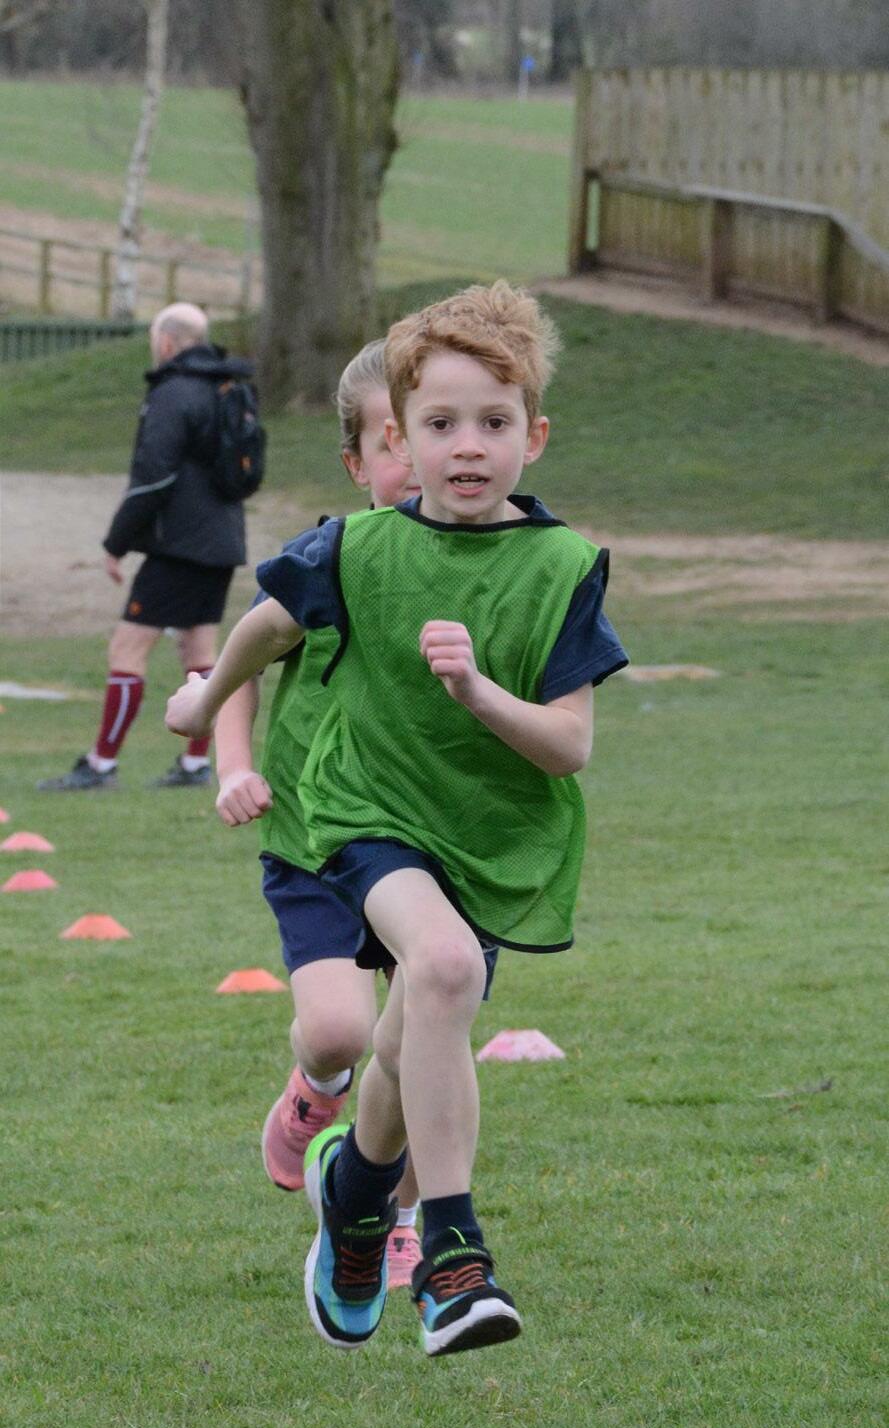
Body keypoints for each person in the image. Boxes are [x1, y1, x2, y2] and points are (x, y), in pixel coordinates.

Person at [165, 281, 628, 1359]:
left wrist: (479, 695)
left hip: (490, 840)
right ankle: (454, 1258)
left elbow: (568, 746)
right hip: (363, 813)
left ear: (534, 436)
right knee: (444, 969)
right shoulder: (355, 548)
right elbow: (263, 628)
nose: (467, 445)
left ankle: (358, 1196)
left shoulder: (564, 568)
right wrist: (204, 702)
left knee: (407, 1036)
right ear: (400, 442)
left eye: (493, 422)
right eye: (440, 423)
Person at [212, 339, 425, 1289]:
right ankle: (315, 1088)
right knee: (343, 1031)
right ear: (356, 462)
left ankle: (404, 1219)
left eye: (432, 430)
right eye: (393, 441)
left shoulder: (486, 565)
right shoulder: (326, 561)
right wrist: (233, 766)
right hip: (314, 844)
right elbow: (239, 666)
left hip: (428, 849)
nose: (417, 458)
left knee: (416, 1046)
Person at [39, 301, 252, 792]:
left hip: (179, 547)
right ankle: (195, 765)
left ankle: (101, 765)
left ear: (166, 342)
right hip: (222, 542)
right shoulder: (229, 387)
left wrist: (116, 543)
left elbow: (152, 478)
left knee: (128, 646)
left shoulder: (173, 392)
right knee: (199, 649)